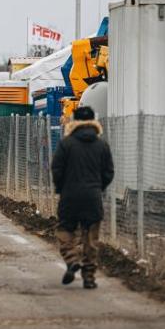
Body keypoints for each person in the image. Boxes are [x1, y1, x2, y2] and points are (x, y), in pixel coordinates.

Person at [51, 106, 114, 289]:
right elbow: (108, 172)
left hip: (69, 195)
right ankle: (89, 277)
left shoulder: (66, 144)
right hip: (92, 196)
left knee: (65, 230)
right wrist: (98, 187)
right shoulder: (102, 145)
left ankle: (71, 259)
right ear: (93, 122)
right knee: (91, 238)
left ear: (74, 122)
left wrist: (61, 188)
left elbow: (57, 169)